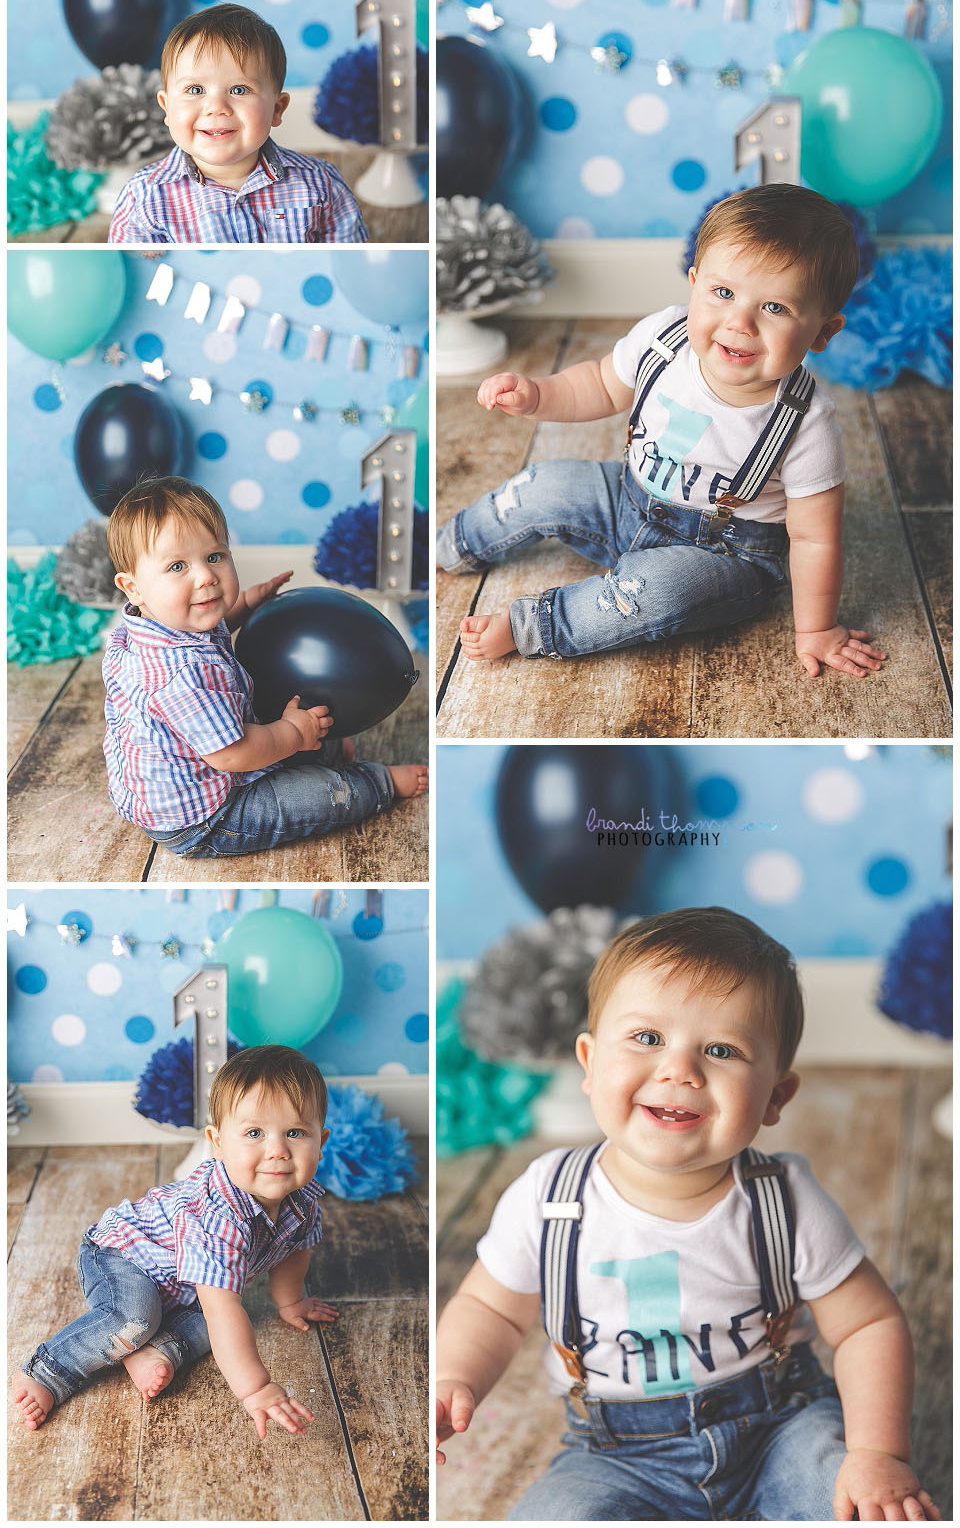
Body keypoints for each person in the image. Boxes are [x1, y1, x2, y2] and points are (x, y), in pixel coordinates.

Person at [436, 908, 941, 1522]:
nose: (680, 1070)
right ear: (590, 1064)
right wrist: (454, 1377)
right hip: (618, 1457)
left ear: (776, 1096)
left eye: (722, 1049)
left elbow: (868, 1324)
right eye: (648, 1038)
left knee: (862, 1506)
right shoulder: (549, 1198)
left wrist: (877, 1452)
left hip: (780, 1431)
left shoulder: (782, 1199)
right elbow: (489, 1309)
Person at [438, 185, 886, 682]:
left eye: (775, 308)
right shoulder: (665, 339)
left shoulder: (806, 423)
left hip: (722, 556)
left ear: (823, 331)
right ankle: (454, 544)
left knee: (655, 593)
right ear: (694, 282)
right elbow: (600, 385)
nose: (739, 323)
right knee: (548, 483)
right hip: (628, 500)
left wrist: (816, 630)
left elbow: (814, 540)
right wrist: (538, 395)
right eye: (723, 293)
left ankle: (530, 627)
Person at [14, 1045, 337, 1437]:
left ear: (320, 1141)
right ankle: (49, 1372)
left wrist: (291, 1301)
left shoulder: (303, 1199)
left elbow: (292, 1251)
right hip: (123, 1256)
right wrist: (257, 1389)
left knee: (230, 1322)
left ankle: (156, 1349)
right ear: (217, 1142)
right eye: (254, 1133)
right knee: (137, 1317)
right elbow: (221, 1308)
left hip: (185, 1287)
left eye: (295, 1132)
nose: (277, 1150)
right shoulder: (217, 1214)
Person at [101, 476, 427, 858]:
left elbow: (217, 630)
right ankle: (376, 783)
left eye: (214, 556)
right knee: (320, 796)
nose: (205, 576)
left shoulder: (159, 626)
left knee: (301, 730)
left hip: (197, 776)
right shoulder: (177, 675)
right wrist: (289, 733)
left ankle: (314, 748)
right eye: (177, 566)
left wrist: (246, 605)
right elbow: (232, 754)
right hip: (208, 817)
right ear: (133, 587)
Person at [108, 3, 367, 243]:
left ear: (277, 109)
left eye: (240, 90)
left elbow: (347, 261)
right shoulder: (144, 198)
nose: (216, 107)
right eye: (195, 90)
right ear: (166, 107)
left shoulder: (320, 183)